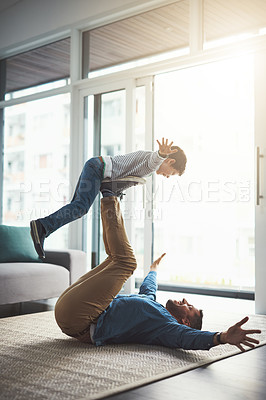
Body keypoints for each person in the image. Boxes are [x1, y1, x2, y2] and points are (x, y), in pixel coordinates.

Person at [54, 194, 261, 352]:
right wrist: (153, 269)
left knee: (126, 263)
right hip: (80, 308)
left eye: (189, 307)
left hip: (79, 320)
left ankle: (110, 195)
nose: (185, 300)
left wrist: (221, 337)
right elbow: (148, 289)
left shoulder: (166, 326)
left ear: (185, 322)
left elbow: (186, 338)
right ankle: (109, 195)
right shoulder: (153, 306)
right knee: (114, 259)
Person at [30, 138, 187, 259]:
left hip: (97, 167)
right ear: (170, 161)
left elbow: (120, 181)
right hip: (97, 168)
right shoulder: (151, 163)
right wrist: (161, 154)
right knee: (81, 207)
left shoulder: (147, 170)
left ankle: (43, 229)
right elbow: (155, 160)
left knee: (76, 206)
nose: (167, 177)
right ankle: (42, 226)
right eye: (171, 173)